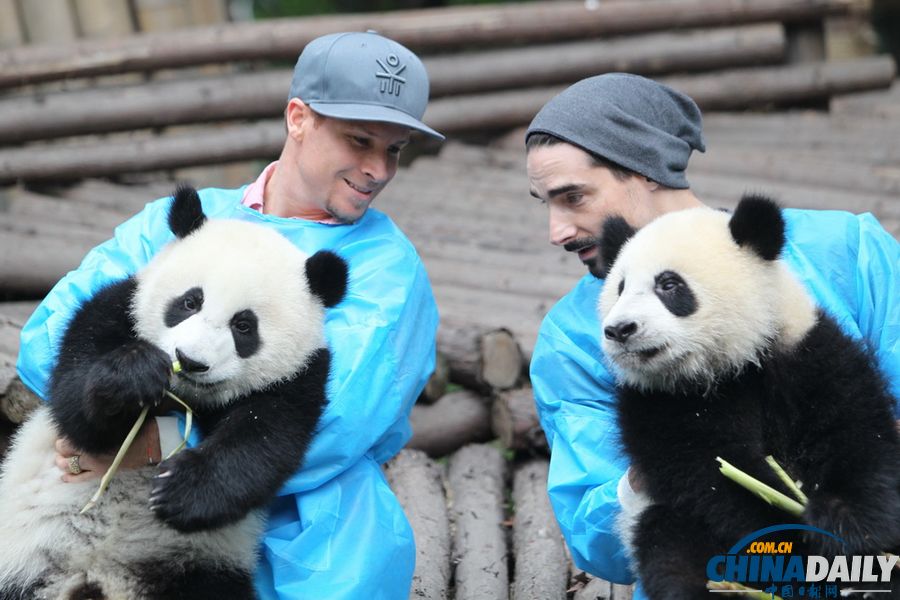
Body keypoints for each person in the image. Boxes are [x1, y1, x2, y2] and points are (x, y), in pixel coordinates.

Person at [16, 31, 444, 600]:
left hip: (304, 548)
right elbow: (50, 338)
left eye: (394, 149)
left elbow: (327, 425)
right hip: (84, 519)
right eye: (359, 140)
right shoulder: (182, 222)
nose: (377, 168)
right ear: (298, 118)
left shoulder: (385, 271)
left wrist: (142, 446)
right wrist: (97, 401)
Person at [525, 73, 900, 598]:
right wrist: (656, 466)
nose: (556, 231)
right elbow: (598, 538)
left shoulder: (841, 248)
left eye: (573, 197)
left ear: (645, 168)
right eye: (543, 202)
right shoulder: (574, 334)